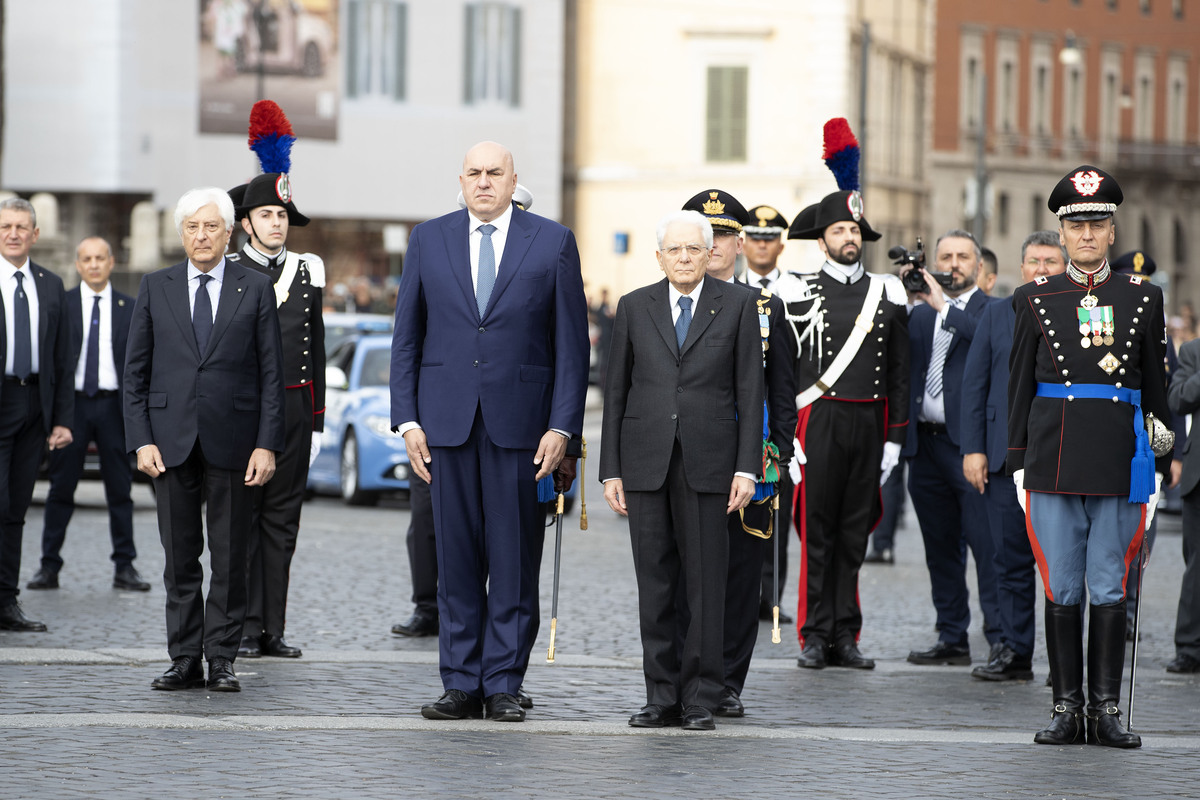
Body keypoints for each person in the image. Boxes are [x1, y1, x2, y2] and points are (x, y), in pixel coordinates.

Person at [390, 141, 589, 723]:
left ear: (512, 179)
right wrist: (408, 419)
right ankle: (459, 683)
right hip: (445, 426)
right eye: (474, 173)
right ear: (461, 180)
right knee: (453, 561)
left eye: (494, 173)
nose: (483, 182)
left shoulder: (551, 241)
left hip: (523, 431)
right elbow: (407, 337)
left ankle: (502, 681)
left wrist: (563, 428)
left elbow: (571, 348)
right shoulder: (429, 239)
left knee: (513, 561)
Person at [1009, 165, 1171, 749]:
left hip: (1120, 456)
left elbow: (1158, 385)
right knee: (1062, 585)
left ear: (1111, 230)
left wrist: (1161, 452)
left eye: (1096, 224)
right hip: (1052, 455)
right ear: (1061, 231)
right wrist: (1017, 458)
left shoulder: (1144, 298)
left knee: (1108, 584)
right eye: (1076, 225)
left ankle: (1104, 710)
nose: (1086, 235)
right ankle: (1064, 706)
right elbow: (1018, 386)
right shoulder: (1031, 298)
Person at [600, 209, 763, 731]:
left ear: (709, 251)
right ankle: (661, 696)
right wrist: (610, 470)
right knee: (656, 585)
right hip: (645, 462)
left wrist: (747, 467)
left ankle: (700, 698)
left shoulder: (737, 305)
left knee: (705, 586)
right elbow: (615, 393)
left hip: (711, 465)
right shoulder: (632, 307)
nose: (686, 257)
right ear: (660, 257)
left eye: (695, 248)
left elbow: (749, 392)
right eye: (675, 250)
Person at [124, 187, 286, 692]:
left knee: (231, 556)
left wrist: (267, 444)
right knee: (179, 557)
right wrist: (141, 440)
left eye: (211, 226)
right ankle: (184, 657)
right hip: (169, 444)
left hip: (235, 443)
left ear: (229, 230)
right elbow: (136, 374)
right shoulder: (156, 286)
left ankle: (221, 658)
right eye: (192, 227)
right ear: (181, 234)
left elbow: (271, 376)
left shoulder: (255, 287)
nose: (201, 236)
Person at [778, 191, 909, 670]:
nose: (849, 238)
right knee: (817, 532)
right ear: (822, 241)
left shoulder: (887, 292)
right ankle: (813, 634)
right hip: (819, 420)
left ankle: (845, 634)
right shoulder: (797, 289)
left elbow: (900, 372)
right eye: (839, 231)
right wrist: (786, 433)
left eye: (855, 231)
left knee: (855, 533)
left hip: (870, 421)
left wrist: (895, 437)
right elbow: (785, 371)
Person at [681, 191, 797, 717]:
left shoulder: (765, 309)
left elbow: (783, 391)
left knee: (739, 574)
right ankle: (685, 676)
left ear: (739, 243)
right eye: (706, 235)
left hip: (749, 463)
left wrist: (774, 453)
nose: (716, 245)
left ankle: (727, 680)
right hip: (687, 458)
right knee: (683, 572)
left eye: (726, 235)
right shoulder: (668, 302)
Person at [227, 146, 326, 661]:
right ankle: (241, 626)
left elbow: (318, 346)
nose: (276, 224)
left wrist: (317, 423)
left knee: (283, 523)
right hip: (244, 412)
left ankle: (272, 628)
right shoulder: (227, 272)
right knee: (242, 520)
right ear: (245, 223)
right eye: (266, 214)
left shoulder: (308, 273)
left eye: (282, 215)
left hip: (293, 410)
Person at [960, 230, 1067, 682]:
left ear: (1065, 268)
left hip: (1062, 460)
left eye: (1050, 262)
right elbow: (975, 384)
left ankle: (1066, 664)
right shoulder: (997, 314)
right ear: (1019, 268)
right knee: (1008, 559)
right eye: (1033, 261)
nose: (1041, 269)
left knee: (1062, 563)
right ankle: (1013, 649)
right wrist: (973, 449)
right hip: (1005, 461)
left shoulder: (1082, 316)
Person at [902, 229, 1003, 667]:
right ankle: (951, 635)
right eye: (946, 256)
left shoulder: (992, 311)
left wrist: (944, 306)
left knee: (987, 546)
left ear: (979, 268)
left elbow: (988, 342)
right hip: (926, 445)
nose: (955, 263)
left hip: (971, 448)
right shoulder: (921, 315)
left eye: (964, 257)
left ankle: (1001, 637)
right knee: (939, 547)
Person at [28, 237, 149, 593]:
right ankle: (48, 567)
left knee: (120, 490)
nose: (94, 264)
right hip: (72, 407)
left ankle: (125, 567)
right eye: (87, 259)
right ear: (78, 264)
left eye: (100, 258)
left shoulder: (131, 306)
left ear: (112, 262)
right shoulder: (61, 304)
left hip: (114, 408)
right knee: (60, 489)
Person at [0, 197, 74, 632]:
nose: (13, 233)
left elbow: (63, 360)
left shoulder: (50, 285)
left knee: (16, 507)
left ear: (35, 234)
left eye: (21, 227)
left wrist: (62, 419)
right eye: (6, 226)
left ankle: (6, 602)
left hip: (34, 409)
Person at [742, 204, 798, 617]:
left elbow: (798, 364)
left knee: (775, 514)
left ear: (781, 242)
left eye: (769, 237)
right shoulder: (725, 287)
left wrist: (788, 433)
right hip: (742, 419)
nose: (762, 245)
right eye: (754, 237)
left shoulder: (800, 292)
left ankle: (769, 596)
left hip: (786, 420)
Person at [1168, 336, 1200, 674]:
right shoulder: (1192, 352)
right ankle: (1190, 646)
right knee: (1196, 565)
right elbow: (1177, 399)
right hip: (1198, 476)